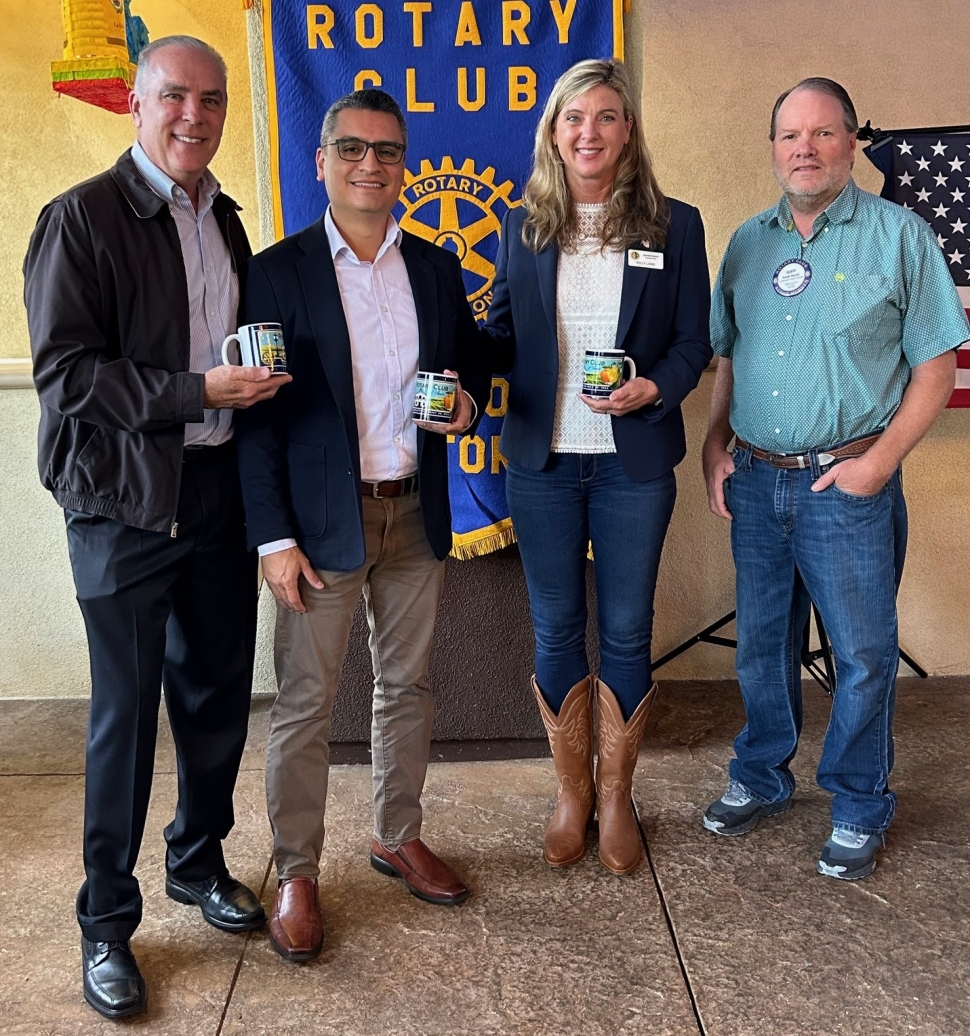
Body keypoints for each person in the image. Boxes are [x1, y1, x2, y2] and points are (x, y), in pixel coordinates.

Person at [23, 37, 289, 1019]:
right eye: (174, 96)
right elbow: (66, 378)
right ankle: (105, 923)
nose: (194, 115)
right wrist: (195, 391)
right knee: (124, 724)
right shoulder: (79, 220)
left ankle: (197, 862)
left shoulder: (224, 216)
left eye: (211, 100)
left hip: (214, 493)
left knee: (217, 699)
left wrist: (246, 387)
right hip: (122, 507)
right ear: (136, 103)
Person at [234, 89, 490, 963]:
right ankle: (296, 869)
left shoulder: (434, 266)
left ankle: (395, 833)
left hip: (415, 513)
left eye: (385, 151)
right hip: (318, 528)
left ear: (404, 165)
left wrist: (465, 407)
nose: (369, 165)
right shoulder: (275, 271)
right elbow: (257, 420)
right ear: (322, 161)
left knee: (407, 689)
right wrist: (273, 538)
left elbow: (465, 375)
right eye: (351, 149)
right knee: (306, 706)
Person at [702, 77, 969, 880]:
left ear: (852, 142)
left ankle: (857, 802)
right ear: (774, 147)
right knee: (761, 649)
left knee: (861, 654)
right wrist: (715, 446)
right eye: (790, 135)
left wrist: (877, 466)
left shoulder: (898, 236)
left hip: (844, 486)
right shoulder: (748, 242)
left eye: (823, 134)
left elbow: (937, 366)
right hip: (754, 479)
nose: (805, 149)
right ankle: (761, 775)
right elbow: (728, 355)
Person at [484, 59, 712, 875]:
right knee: (554, 627)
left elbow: (695, 342)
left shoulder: (673, 226)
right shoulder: (522, 227)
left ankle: (616, 795)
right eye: (574, 117)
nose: (590, 132)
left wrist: (658, 385)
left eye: (608, 117)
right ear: (554, 130)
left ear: (627, 132)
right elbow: (498, 339)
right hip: (544, 461)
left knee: (624, 629)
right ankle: (570, 793)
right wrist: (437, 348)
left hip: (632, 462)